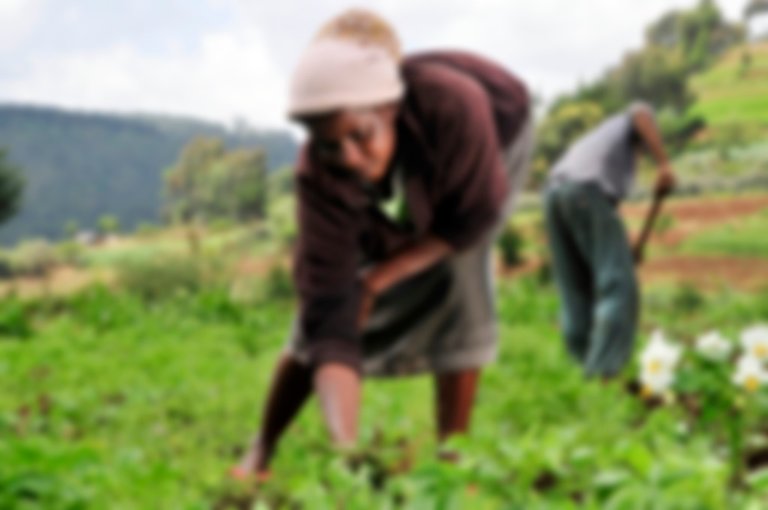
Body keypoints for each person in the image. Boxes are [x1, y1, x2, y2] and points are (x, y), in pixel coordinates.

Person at [232, 8, 532, 481]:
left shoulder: (454, 103)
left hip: (493, 143)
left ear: (387, 109)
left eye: (360, 135)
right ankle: (261, 448)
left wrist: (379, 279)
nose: (349, 158)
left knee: (457, 273)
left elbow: (469, 219)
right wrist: (348, 455)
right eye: (330, 145)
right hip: (416, 151)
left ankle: (452, 464)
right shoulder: (320, 173)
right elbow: (329, 316)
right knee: (325, 308)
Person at [544, 102, 676, 379]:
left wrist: (626, 251)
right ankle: (602, 373)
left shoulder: (601, 144)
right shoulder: (630, 121)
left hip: (555, 196)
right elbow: (641, 111)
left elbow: (604, 217)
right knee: (619, 287)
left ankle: (579, 365)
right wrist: (663, 164)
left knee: (576, 288)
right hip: (584, 191)